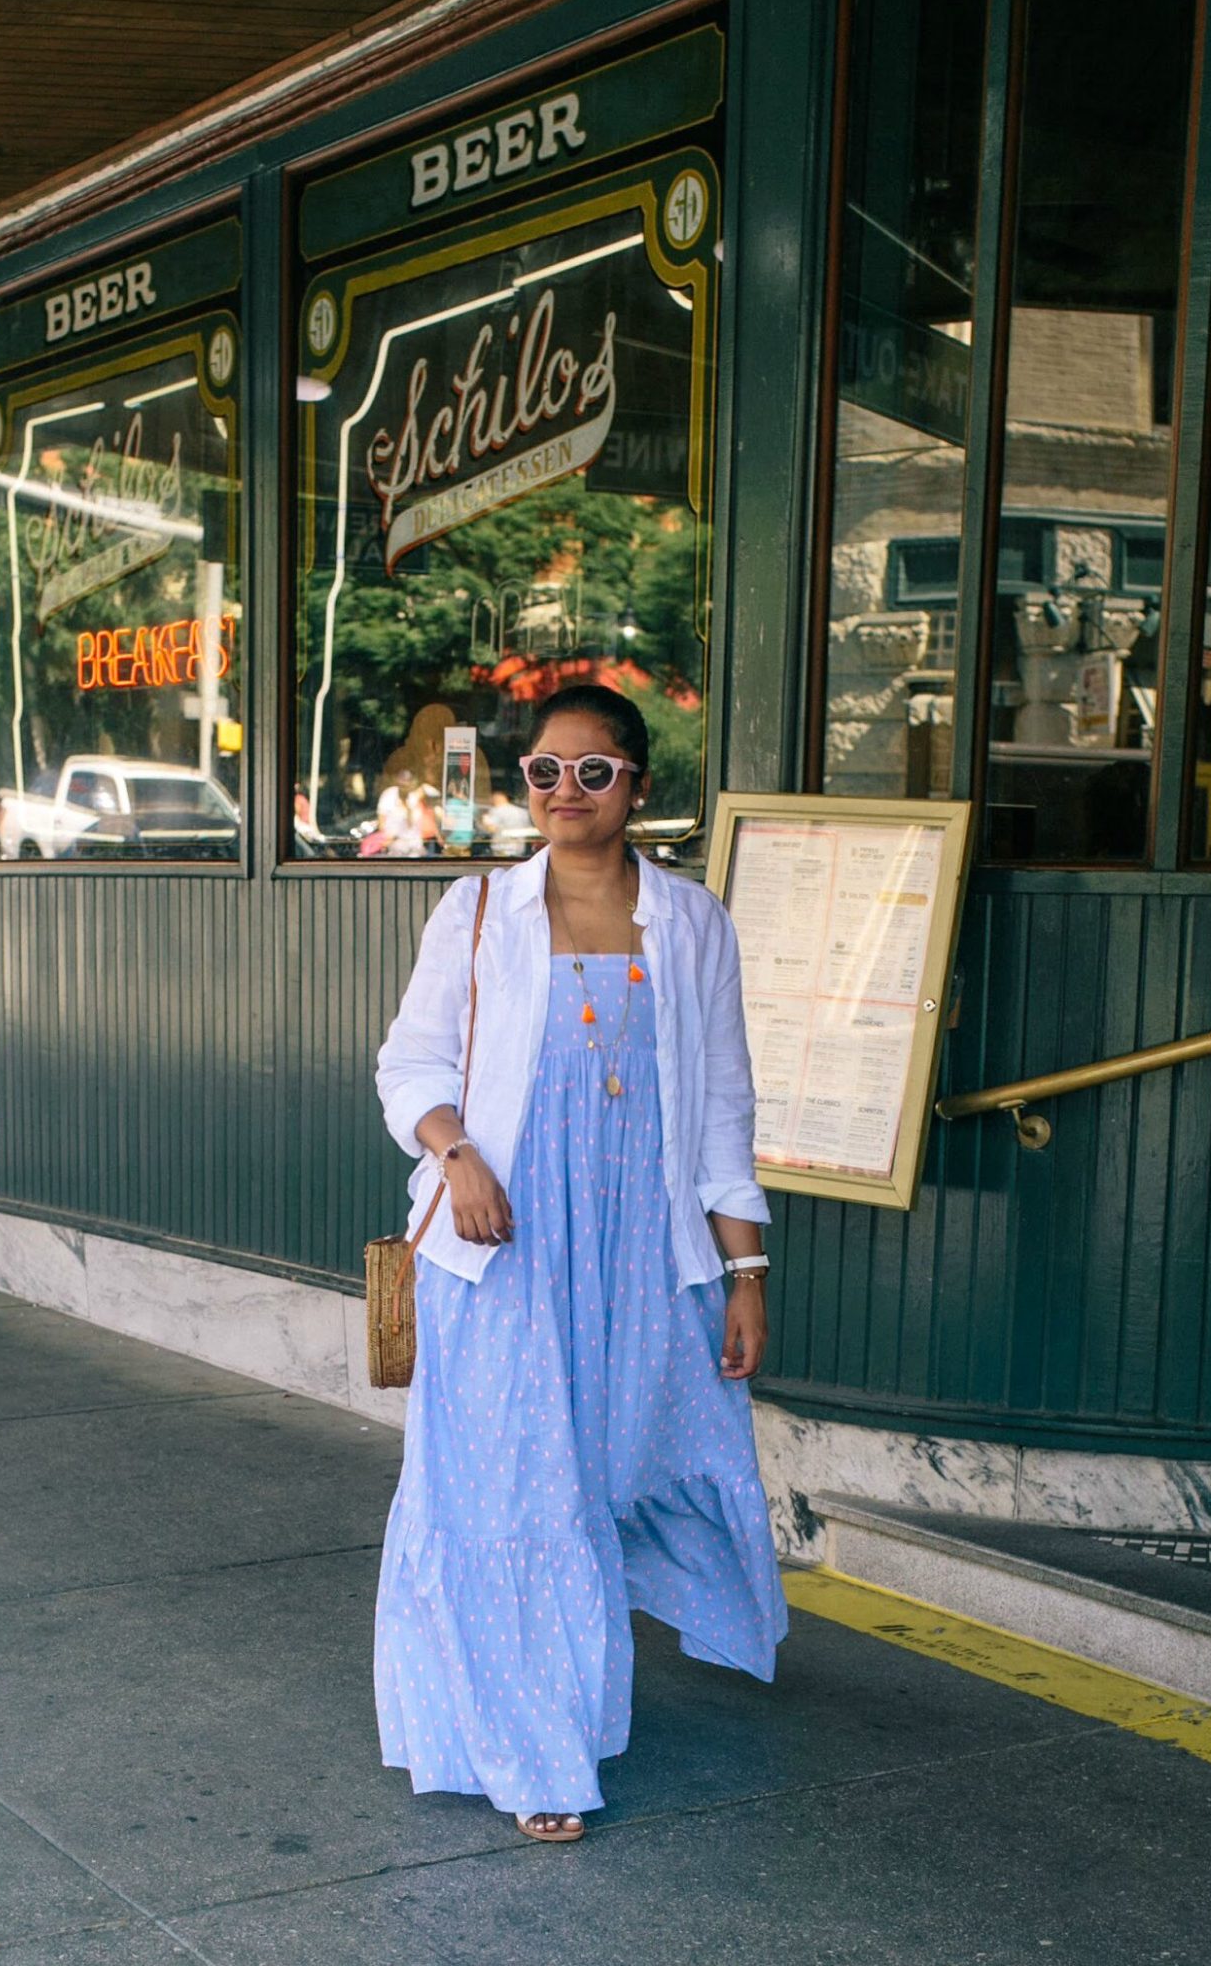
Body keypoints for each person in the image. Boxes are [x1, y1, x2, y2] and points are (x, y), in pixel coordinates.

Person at [373, 684, 787, 1846]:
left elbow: (721, 1109)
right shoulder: (473, 913)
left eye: (592, 772)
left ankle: (568, 1707)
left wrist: (743, 1271)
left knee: (602, 1480)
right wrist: (456, 1154)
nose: (564, 793)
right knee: (513, 1491)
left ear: (638, 785)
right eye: (542, 772)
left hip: (637, 1256)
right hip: (501, 1250)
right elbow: (408, 1067)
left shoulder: (695, 923)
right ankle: (534, 1750)